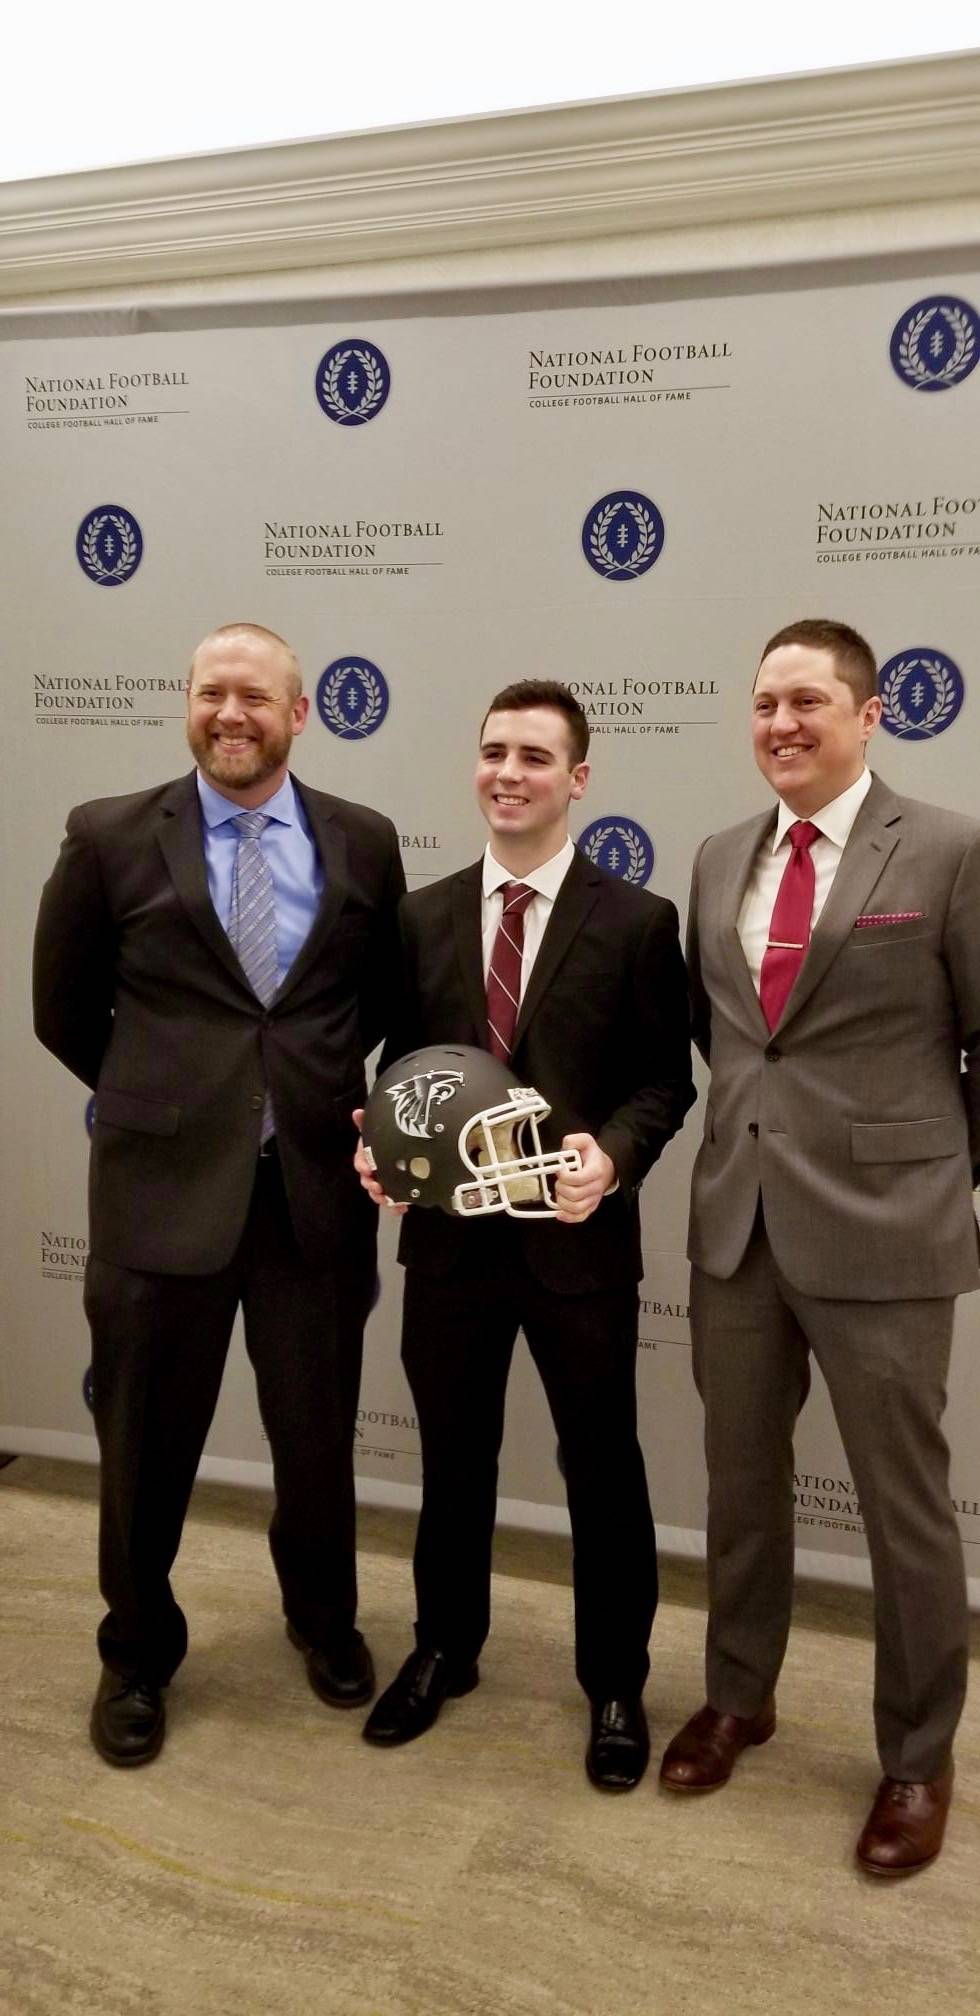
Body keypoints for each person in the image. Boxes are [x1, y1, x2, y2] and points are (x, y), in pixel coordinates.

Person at [33, 622, 405, 1765]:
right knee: (143, 1444)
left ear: (300, 712)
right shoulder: (107, 836)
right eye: (210, 694)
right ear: (186, 704)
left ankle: (323, 1618)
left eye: (254, 695)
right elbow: (62, 1009)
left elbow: (376, 998)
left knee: (314, 1436)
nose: (229, 714)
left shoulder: (363, 841)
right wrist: (171, 1104)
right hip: (158, 1203)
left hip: (309, 1204)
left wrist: (282, 1102)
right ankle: (136, 1653)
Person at [660, 617, 980, 1874]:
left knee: (905, 1510)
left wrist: (946, 1179)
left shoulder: (947, 848)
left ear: (867, 713)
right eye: (761, 706)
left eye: (805, 702)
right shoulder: (713, 857)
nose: (780, 726)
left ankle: (916, 1756)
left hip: (887, 1230)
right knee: (739, 1485)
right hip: (737, 1222)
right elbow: (727, 1037)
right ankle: (739, 1694)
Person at [355, 679, 694, 1789]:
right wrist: (381, 1147)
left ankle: (613, 1683)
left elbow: (662, 1079)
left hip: (575, 1244)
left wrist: (616, 1154)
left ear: (577, 780)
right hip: (449, 1249)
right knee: (452, 1462)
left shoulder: (637, 920)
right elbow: (400, 1071)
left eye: (534, 757)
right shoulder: (421, 915)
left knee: (602, 1468)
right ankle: (443, 1649)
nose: (508, 772)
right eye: (493, 750)